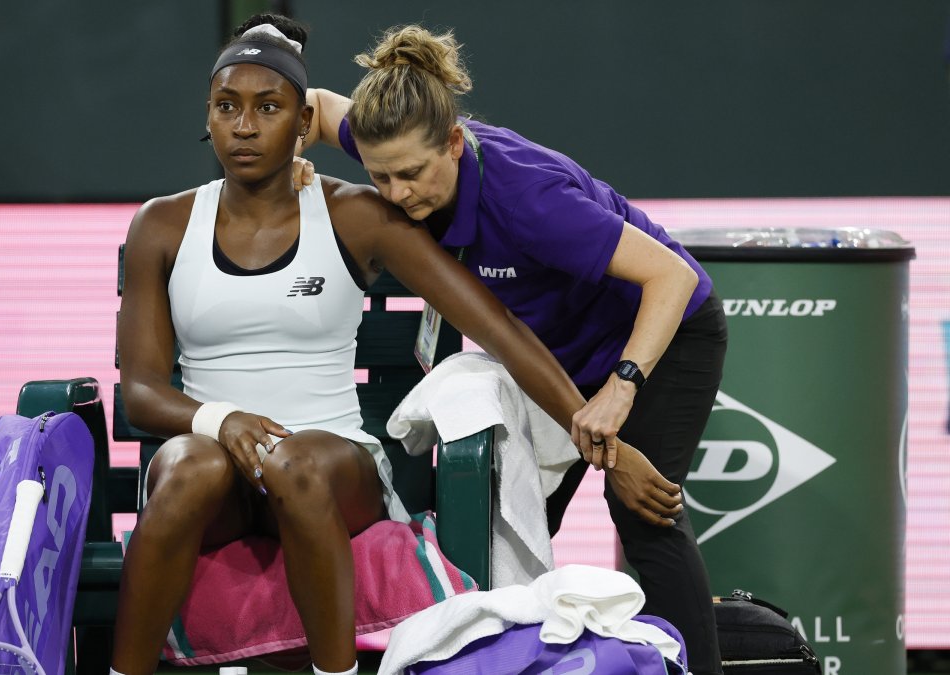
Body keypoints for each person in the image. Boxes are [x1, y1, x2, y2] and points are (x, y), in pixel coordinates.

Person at [111, 14, 684, 675]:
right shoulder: (162, 223)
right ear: (206, 118)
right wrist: (222, 420)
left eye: (267, 108)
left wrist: (609, 454)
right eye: (226, 107)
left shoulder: (357, 215)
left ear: (304, 123)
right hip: (210, 457)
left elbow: (499, 327)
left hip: (327, 461)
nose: (244, 126)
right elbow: (143, 392)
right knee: (189, 467)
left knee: (291, 462)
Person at [294, 24, 729, 675]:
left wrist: (621, 390)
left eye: (412, 174)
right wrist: (288, 158)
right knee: (506, 518)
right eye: (380, 178)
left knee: (641, 509)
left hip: (659, 334)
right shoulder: (388, 138)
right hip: (555, 354)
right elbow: (319, 107)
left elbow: (673, 276)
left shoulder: (529, 198)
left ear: (453, 141)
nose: (397, 195)